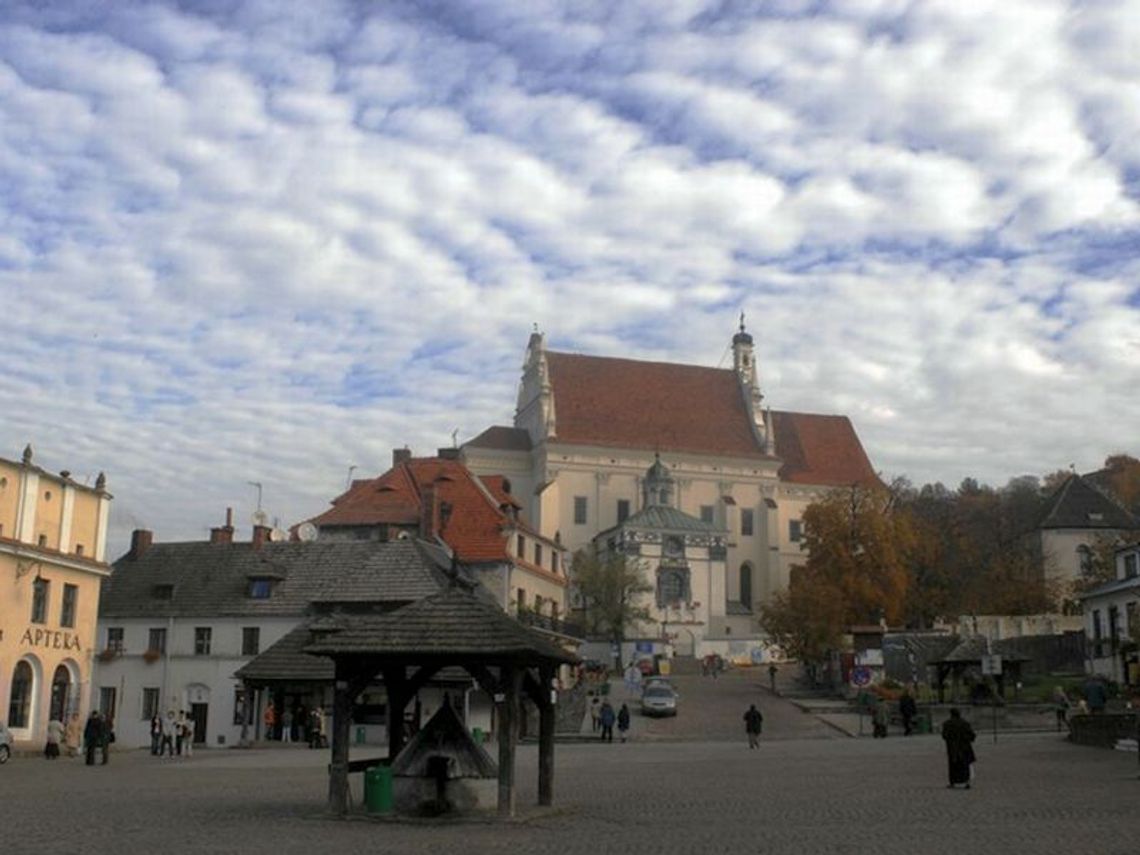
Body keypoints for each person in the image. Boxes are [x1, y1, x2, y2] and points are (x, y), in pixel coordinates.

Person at [941, 708, 976, 789]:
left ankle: (953, 782)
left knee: (953, 766)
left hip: (952, 748)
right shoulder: (965, 723)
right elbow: (972, 735)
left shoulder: (947, 724)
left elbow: (944, 736)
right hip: (964, 747)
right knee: (965, 766)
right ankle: (967, 782)